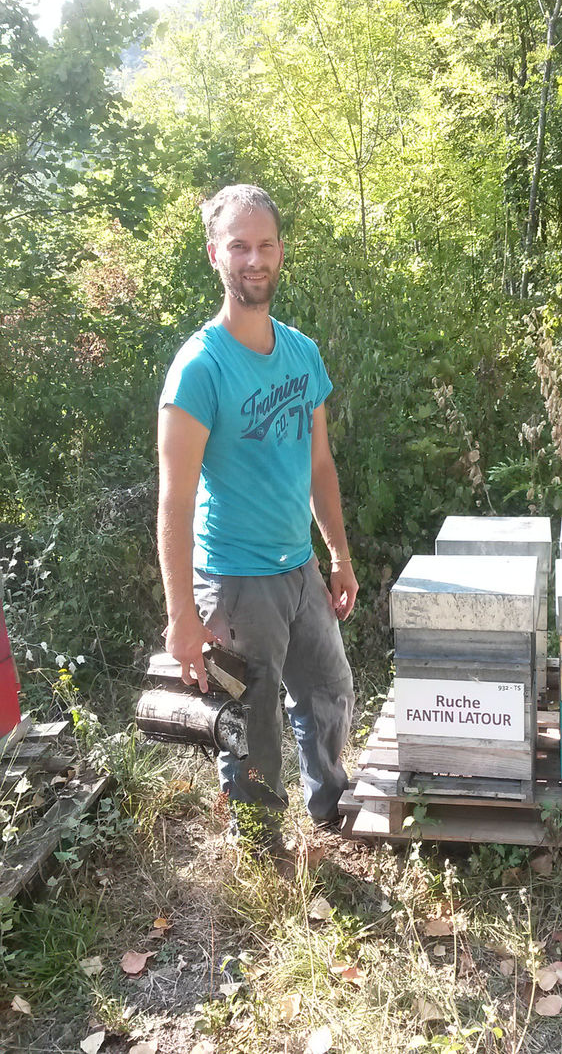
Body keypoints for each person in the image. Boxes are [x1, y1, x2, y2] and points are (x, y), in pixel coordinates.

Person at [157, 184, 358, 844]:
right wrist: (183, 614)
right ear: (214, 253)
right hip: (235, 583)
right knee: (250, 722)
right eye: (238, 245)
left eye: (264, 244)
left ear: (280, 252)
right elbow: (175, 500)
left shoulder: (302, 353)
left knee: (329, 693)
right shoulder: (199, 369)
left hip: (299, 567)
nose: (253, 257)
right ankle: (261, 847)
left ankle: (329, 806)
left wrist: (338, 555)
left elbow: (319, 466)